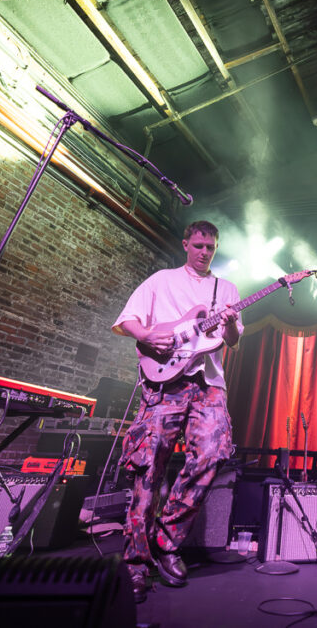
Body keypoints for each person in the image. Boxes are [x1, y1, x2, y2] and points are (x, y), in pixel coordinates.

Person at [113, 220, 242, 603]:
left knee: (213, 454)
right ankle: (135, 560)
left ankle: (167, 542)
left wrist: (232, 323)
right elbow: (127, 321)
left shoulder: (227, 289)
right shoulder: (161, 280)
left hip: (209, 384)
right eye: (200, 245)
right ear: (186, 244)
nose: (205, 252)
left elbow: (232, 341)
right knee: (148, 463)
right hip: (164, 382)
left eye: (212, 247)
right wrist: (146, 335)